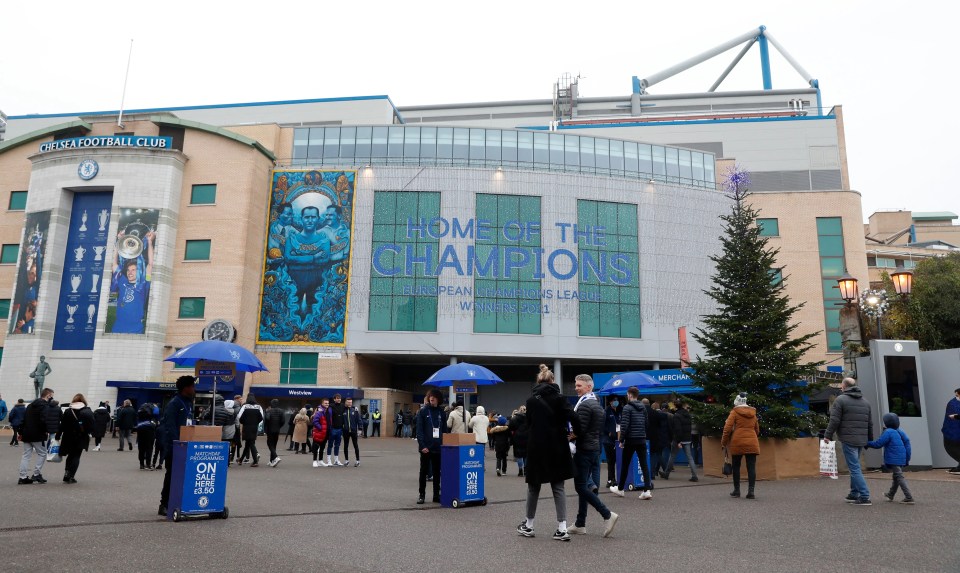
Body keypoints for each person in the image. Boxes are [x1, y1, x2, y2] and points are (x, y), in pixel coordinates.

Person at [516, 364, 579, 542]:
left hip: (536, 447)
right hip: (558, 446)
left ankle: (529, 525)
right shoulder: (560, 398)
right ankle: (562, 528)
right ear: (552, 380)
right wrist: (576, 433)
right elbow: (573, 417)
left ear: (539, 381)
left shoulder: (531, 401)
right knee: (558, 487)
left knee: (533, 487)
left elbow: (528, 425)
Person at [568, 374, 618, 538]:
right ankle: (580, 523)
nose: (576, 388)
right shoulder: (596, 404)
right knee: (584, 487)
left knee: (580, 486)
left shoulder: (584, 405)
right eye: (576, 385)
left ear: (589, 386)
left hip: (583, 450)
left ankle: (607, 514)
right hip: (594, 449)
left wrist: (569, 436)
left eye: (579, 385)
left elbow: (579, 430)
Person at [823, 377, 875, 506]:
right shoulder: (865, 402)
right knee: (855, 466)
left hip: (848, 438)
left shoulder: (840, 400)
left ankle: (864, 496)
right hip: (861, 439)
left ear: (844, 387)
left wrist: (827, 435)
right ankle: (854, 493)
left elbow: (834, 420)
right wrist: (869, 439)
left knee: (854, 468)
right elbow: (870, 423)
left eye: (841, 385)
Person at [158, 376, 195, 516]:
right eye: (192, 386)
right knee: (171, 475)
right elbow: (169, 426)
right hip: (175, 446)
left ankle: (179, 501)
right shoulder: (174, 403)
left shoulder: (188, 403)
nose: (194, 389)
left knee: (183, 476)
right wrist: (175, 444)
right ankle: (164, 504)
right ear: (185, 388)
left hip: (186, 445)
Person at [284, 205, 330, 318]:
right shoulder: (292, 238)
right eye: (307, 217)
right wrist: (313, 257)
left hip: (316, 279)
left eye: (313, 217)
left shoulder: (324, 239)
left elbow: (324, 260)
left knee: (314, 312)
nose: (310, 220)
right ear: (301, 219)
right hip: (294, 279)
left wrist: (298, 257)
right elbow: (288, 258)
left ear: (318, 219)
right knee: (292, 311)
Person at [610, 386, 653, 500]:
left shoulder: (627, 408)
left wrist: (621, 440)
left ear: (629, 395)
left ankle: (620, 489)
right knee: (644, 464)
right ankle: (647, 490)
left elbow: (624, 426)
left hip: (630, 440)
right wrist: (642, 434)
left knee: (625, 464)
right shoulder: (643, 407)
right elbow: (646, 423)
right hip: (641, 439)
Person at [110, 230, 154, 333]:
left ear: (139, 271)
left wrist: (150, 242)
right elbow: (114, 264)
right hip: (118, 326)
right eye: (129, 270)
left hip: (136, 328)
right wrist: (119, 242)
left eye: (133, 270)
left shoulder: (144, 284)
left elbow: (151, 265)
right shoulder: (122, 281)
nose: (130, 272)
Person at [866, 413, 914, 504]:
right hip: (902, 457)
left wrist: (867, 443)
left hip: (894, 458)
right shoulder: (900, 431)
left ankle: (909, 497)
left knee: (899, 476)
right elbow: (907, 444)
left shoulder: (888, 432)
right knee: (896, 477)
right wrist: (907, 458)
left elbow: (878, 444)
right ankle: (891, 494)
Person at [721, 393, 761, 499]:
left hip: (737, 441)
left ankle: (737, 491)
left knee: (736, 466)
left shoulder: (734, 412)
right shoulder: (753, 413)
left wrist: (723, 442)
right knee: (751, 467)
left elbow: (727, 428)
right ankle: (751, 492)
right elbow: (757, 429)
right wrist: (751, 437)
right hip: (752, 441)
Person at [416, 388, 447, 504]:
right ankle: (421, 495)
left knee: (437, 472)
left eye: (434, 397)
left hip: (438, 448)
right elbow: (419, 431)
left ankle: (436, 495)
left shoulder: (442, 413)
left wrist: (444, 445)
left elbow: (445, 431)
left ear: (438, 399)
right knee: (423, 472)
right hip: (425, 448)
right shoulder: (423, 412)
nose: (432, 398)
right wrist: (422, 445)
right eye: (430, 397)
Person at [56, 393, 95, 484]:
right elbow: (92, 425)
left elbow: (62, 425)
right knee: (76, 456)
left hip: (68, 436)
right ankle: (71, 476)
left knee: (70, 456)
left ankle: (66, 473)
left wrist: (58, 436)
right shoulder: (87, 411)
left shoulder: (68, 411)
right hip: (81, 436)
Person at [18, 388, 54, 484]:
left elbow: (23, 419)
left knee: (26, 455)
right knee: (42, 453)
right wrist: (46, 430)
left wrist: (21, 432)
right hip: (38, 434)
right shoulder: (45, 406)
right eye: (52, 396)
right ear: (48, 395)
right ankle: (36, 474)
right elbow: (44, 420)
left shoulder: (30, 406)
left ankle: (23, 476)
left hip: (27, 433)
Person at [670, 400, 699, 482]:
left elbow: (678, 429)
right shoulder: (687, 415)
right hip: (688, 438)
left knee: (672, 455)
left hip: (679, 439)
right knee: (690, 458)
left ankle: (667, 472)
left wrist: (679, 441)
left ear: (675, 406)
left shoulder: (676, 415)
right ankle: (695, 475)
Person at [237, 393, 264, 467]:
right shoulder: (258, 407)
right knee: (248, 444)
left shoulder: (245, 406)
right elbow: (261, 417)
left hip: (246, 427)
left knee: (250, 443)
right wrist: (256, 422)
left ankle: (255, 461)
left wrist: (243, 422)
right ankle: (241, 460)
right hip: (254, 427)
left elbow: (239, 416)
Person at [214, 397, 238, 466]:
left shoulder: (222, 410)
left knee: (220, 446)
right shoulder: (234, 412)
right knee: (228, 447)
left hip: (223, 430)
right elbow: (237, 422)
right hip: (231, 431)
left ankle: (221, 460)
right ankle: (228, 461)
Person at [941, 388, 960, 474]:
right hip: (952, 432)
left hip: (953, 433)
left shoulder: (953, 403)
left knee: (953, 449)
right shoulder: (953, 403)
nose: (956, 397)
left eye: (957, 395)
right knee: (952, 449)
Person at [602, 397, 619, 487]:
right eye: (614, 401)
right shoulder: (606, 412)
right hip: (608, 441)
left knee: (616, 460)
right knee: (611, 461)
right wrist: (608, 432)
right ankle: (611, 480)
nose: (616, 402)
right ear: (610, 402)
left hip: (617, 440)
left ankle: (613, 479)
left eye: (616, 401)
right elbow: (602, 425)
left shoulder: (618, 412)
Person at [135, 402, 158, 470]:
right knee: (149, 447)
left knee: (141, 447)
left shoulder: (141, 408)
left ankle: (141, 464)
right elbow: (157, 415)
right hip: (149, 428)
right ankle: (148, 464)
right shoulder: (154, 407)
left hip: (140, 428)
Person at [264, 399, 285, 468]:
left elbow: (266, 419)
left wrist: (266, 428)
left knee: (269, 443)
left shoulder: (269, 411)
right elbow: (283, 421)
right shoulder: (281, 411)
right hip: (277, 430)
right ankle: (271, 460)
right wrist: (279, 426)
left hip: (270, 429)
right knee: (274, 444)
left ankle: (276, 457)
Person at [509, 405, 529, 476]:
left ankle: (520, 470)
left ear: (519, 410)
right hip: (527, 437)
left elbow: (510, 427)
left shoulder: (514, 418)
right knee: (526, 455)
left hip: (517, 438)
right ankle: (526, 470)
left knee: (519, 455)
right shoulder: (529, 418)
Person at [326, 394, 346, 466]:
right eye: (337, 398)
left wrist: (355, 407)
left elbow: (349, 407)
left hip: (340, 429)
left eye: (340, 398)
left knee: (337, 445)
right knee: (330, 445)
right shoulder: (331, 406)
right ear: (334, 399)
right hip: (332, 429)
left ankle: (336, 460)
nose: (339, 399)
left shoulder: (343, 406)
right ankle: (328, 460)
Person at [343, 397, 361, 466]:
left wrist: (360, 429)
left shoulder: (355, 410)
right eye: (348, 402)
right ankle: (346, 460)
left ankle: (357, 460)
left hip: (353, 431)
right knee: (345, 446)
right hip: (346, 431)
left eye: (351, 402)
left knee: (355, 445)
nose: (350, 403)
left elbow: (359, 420)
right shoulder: (343, 410)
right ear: (345, 402)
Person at [312, 398, 330, 467]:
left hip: (325, 433)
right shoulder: (319, 412)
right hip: (319, 432)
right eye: (325, 403)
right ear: (322, 403)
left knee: (322, 448)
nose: (327, 404)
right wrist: (321, 428)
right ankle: (314, 461)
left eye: (328, 403)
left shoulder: (328, 411)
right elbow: (315, 421)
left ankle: (320, 461)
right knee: (316, 447)